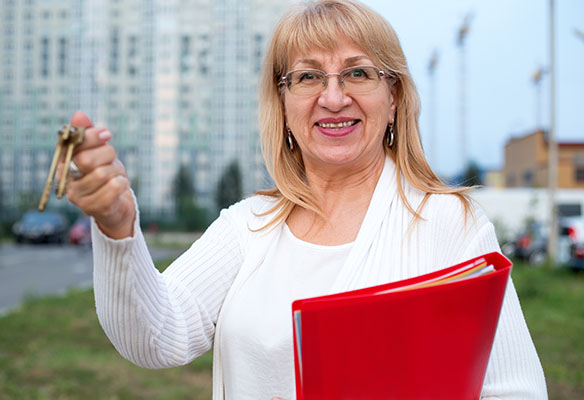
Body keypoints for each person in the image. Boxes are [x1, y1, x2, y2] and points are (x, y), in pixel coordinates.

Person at [65, 0, 547, 398]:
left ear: (394, 95)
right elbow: (156, 338)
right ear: (283, 103)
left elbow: (516, 389)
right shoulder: (246, 228)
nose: (333, 98)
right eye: (308, 77)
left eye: (358, 74)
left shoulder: (451, 225)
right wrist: (116, 224)